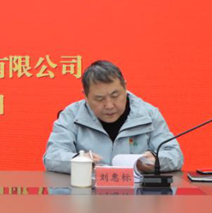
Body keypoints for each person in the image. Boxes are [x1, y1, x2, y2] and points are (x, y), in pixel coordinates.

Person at [43, 60, 183, 174]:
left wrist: (155, 161)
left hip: (138, 196)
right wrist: (78, 160)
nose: (109, 105)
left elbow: (174, 155)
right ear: (85, 96)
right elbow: (52, 156)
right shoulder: (71, 115)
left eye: (115, 96)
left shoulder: (148, 114)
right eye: (99, 99)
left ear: (125, 87)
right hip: (87, 194)